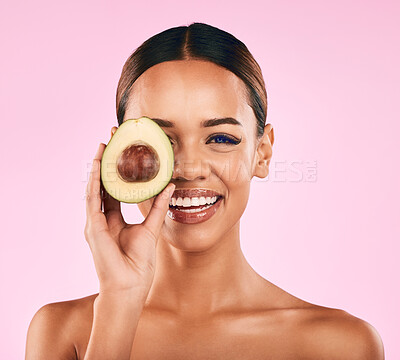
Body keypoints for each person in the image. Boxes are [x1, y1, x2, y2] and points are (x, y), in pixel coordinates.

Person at [25, 22, 384, 360]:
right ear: (120, 153)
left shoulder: (340, 344)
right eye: (161, 140)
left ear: (262, 153)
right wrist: (119, 300)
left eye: (221, 138)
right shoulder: (63, 332)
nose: (188, 169)